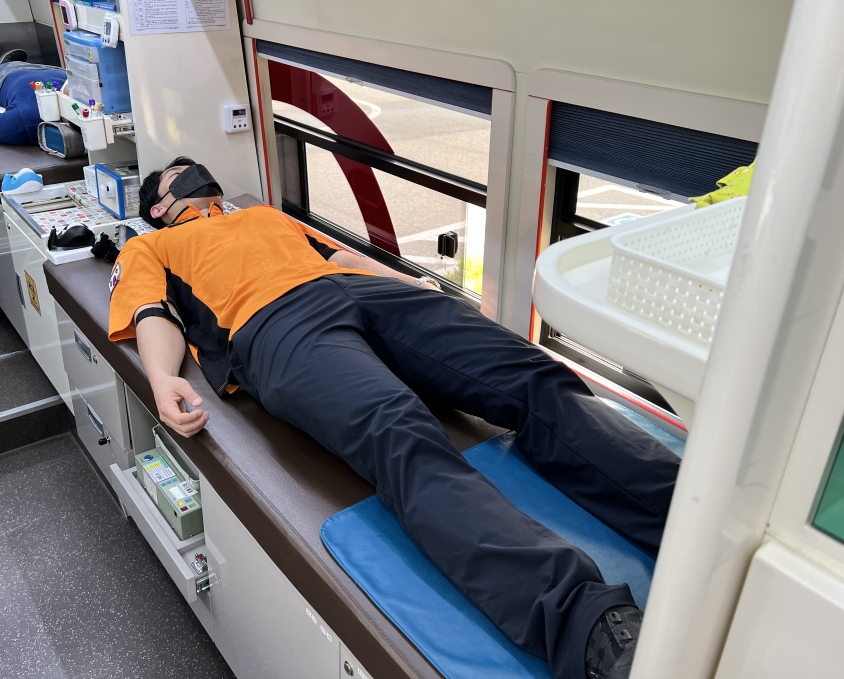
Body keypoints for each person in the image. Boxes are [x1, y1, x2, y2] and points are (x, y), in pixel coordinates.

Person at [109, 157, 681, 679]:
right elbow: (152, 310)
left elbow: (339, 257)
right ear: (158, 207)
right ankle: (586, 623)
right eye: (177, 174)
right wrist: (163, 379)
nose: (194, 171)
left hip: (365, 293)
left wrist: (412, 285)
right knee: (399, 431)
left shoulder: (262, 215)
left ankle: (684, 516)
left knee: (530, 373)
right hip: (273, 324)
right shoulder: (152, 245)